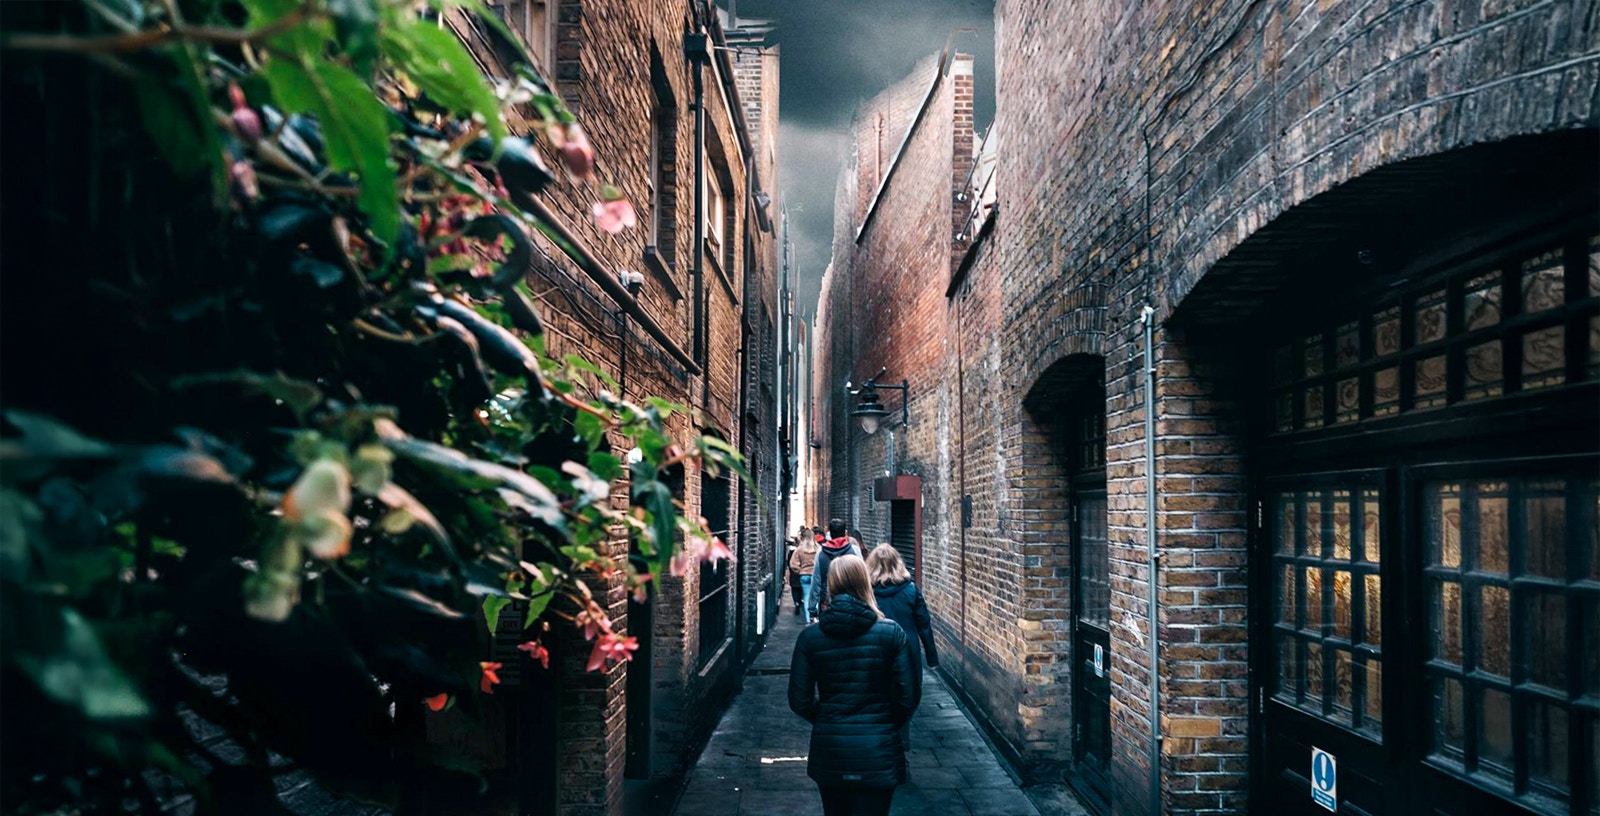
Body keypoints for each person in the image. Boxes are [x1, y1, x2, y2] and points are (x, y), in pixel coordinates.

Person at [789, 555, 918, 816]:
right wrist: (884, 721)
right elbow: (909, 696)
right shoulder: (891, 633)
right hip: (878, 749)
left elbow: (799, 700)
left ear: (831, 585)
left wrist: (827, 717)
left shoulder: (810, 638)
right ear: (865, 583)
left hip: (831, 748)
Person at [867, 545, 938, 748]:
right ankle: (901, 742)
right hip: (907, 651)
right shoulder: (910, 590)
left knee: (877, 695)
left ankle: (880, 742)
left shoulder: (867, 591)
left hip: (875, 649)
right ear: (898, 563)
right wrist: (932, 658)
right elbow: (924, 625)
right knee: (906, 695)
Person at [808, 518, 860, 620]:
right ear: (845, 533)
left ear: (830, 534)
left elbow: (816, 582)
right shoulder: (855, 551)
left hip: (828, 603)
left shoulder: (821, 553)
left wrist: (812, 608)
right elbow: (862, 579)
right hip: (852, 602)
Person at [789, 530, 819, 619]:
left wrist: (800, 571)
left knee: (806, 598)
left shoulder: (799, 549)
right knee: (815, 598)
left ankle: (808, 620)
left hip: (804, 576)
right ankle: (815, 619)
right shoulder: (818, 548)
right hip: (815, 575)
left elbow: (793, 564)